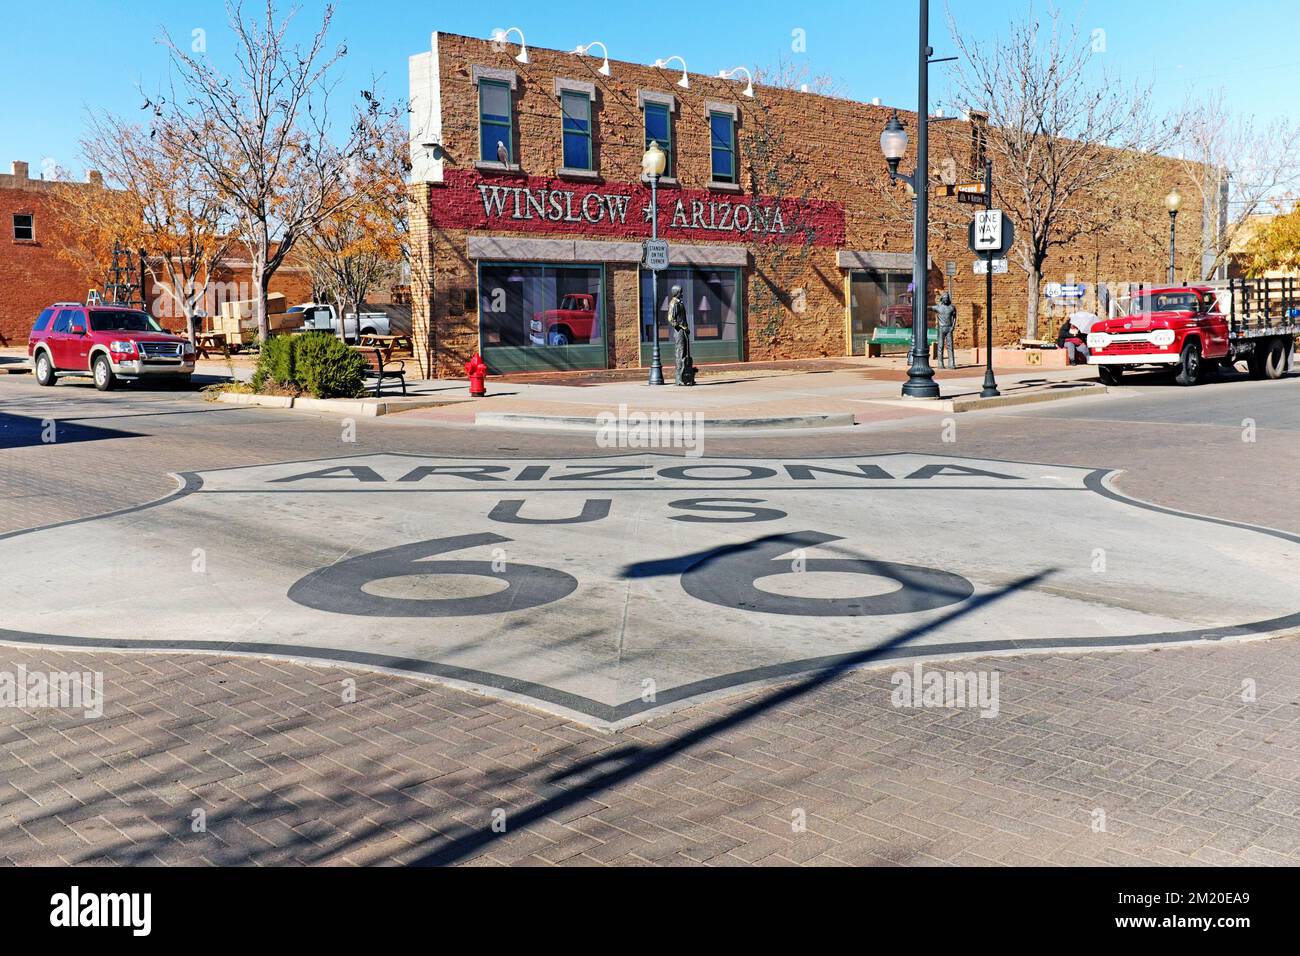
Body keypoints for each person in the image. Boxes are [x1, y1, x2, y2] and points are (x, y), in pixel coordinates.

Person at [667, 285, 695, 386]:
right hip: (679, 331)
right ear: (676, 293)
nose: (682, 294)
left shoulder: (680, 303)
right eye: (681, 292)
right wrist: (681, 327)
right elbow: (671, 319)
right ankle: (679, 378)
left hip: (684, 331)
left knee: (685, 353)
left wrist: (686, 328)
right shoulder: (673, 303)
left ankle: (686, 375)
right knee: (680, 352)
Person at [930, 291, 957, 369]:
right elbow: (929, 308)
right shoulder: (938, 307)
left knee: (950, 346)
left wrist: (953, 326)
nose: (946, 299)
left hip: (949, 328)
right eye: (945, 298)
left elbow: (955, 317)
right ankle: (940, 363)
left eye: (947, 298)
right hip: (941, 329)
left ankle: (951, 363)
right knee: (940, 346)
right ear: (942, 299)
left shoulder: (952, 307)